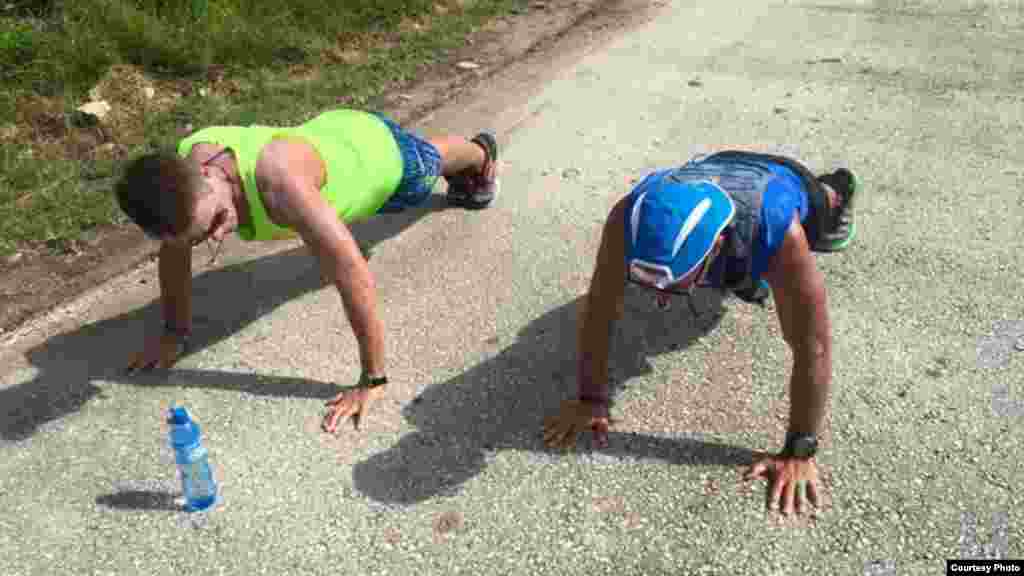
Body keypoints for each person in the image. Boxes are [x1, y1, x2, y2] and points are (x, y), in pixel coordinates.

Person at [114, 107, 499, 433]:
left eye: (216, 220)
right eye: (201, 237)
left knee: (429, 162)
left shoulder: (281, 186)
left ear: (212, 175)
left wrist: (372, 380)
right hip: (336, 133)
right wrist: (173, 333)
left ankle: (481, 155)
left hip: (380, 157)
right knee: (408, 170)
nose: (217, 236)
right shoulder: (185, 169)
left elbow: (351, 272)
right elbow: (174, 252)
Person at [542, 146, 859, 516]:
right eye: (646, 283)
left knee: (822, 210)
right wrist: (591, 399)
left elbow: (813, 346)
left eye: (672, 285)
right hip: (712, 166)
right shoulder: (626, 215)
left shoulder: (779, 231)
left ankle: (839, 189)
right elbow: (599, 308)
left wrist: (798, 451)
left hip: (780, 178)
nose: (659, 300)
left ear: (718, 245)